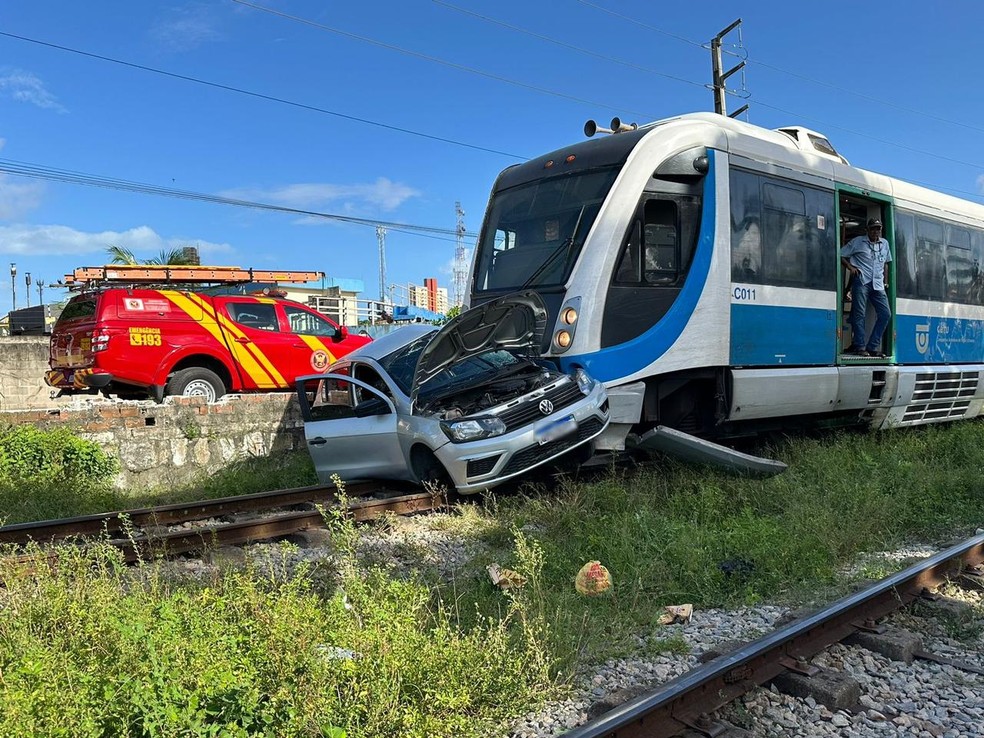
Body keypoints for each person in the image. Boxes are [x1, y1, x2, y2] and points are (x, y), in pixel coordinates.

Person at [840, 217, 892, 357]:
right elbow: (841, 255)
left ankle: (872, 346)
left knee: (886, 314)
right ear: (867, 230)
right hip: (862, 281)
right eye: (873, 228)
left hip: (878, 284)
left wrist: (886, 281)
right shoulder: (858, 242)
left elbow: (886, 263)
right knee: (859, 314)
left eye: (878, 228)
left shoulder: (885, 243)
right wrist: (850, 267)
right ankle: (859, 346)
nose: (876, 231)